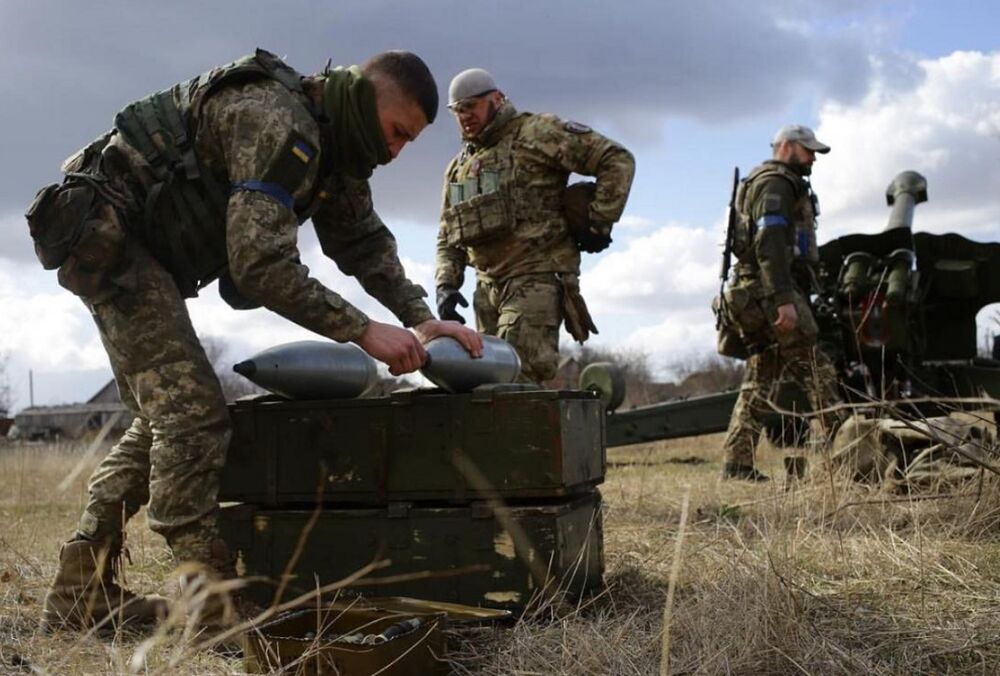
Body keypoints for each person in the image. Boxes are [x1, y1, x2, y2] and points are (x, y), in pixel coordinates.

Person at [27, 48, 482, 631]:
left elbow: (363, 242)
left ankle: (78, 591)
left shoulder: (338, 147)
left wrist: (421, 319)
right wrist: (364, 331)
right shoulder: (278, 119)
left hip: (143, 251)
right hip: (108, 237)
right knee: (192, 418)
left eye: (408, 144)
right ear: (367, 99)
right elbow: (259, 265)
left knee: (166, 419)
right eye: (397, 133)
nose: (395, 153)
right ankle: (211, 603)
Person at [434, 68, 634, 383]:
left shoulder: (537, 133)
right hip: (486, 290)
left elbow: (616, 159)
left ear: (496, 99)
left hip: (535, 276)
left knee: (517, 377)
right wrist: (446, 285)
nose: (465, 116)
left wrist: (599, 220)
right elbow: (448, 234)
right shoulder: (459, 168)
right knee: (487, 382)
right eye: (458, 110)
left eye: (471, 106)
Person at [718, 124, 843, 481]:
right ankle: (853, 454)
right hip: (769, 291)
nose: (813, 158)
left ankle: (737, 463)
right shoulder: (776, 183)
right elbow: (770, 243)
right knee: (817, 370)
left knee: (760, 379)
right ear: (786, 146)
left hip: (753, 291)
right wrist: (783, 300)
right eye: (808, 150)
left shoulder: (771, 181)